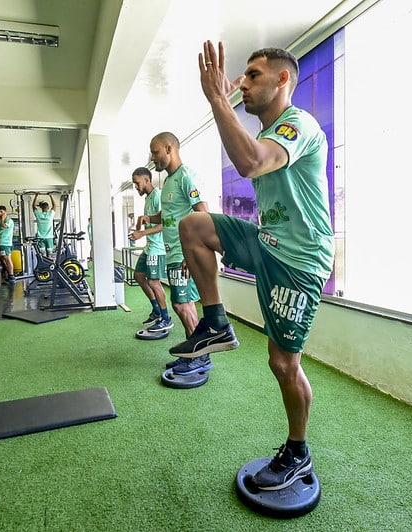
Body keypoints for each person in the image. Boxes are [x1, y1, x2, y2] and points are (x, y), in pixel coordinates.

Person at [174, 42, 335, 491]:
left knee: (283, 364)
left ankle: (299, 452)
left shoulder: (298, 124)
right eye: (242, 76)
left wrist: (219, 100)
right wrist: (223, 104)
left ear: (282, 80)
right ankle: (215, 323)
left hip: (300, 259)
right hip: (268, 241)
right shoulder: (267, 130)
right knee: (194, 228)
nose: (243, 82)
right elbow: (248, 151)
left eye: (254, 75)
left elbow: (250, 163)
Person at [138, 132, 209, 363]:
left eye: (155, 151)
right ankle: (195, 352)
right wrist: (150, 218)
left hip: (184, 253)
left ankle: (199, 356)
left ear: (169, 149)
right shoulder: (168, 180)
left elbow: (203, 214)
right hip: (173, 253)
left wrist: (193, 253)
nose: (152, 157)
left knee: (182, 303)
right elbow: (168, 215)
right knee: (182, 304)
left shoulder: (187, 177)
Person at [129, 167, 171, 333]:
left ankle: (166, 318)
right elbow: (151, 221)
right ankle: (156, 310)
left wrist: (142, 232)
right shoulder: (148, 198)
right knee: (139, 276)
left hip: (157, 248)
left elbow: (165, 223)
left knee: (154, 282)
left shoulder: (158, 196)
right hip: (149, 247)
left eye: (137, 183)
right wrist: (140, 223)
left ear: (147, 180)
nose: (136, 187)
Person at [0, 205, 16, 283]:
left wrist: (2, 220)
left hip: (6, 243)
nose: (0, 214)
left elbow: (3, 227)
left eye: (1, 212)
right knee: (3, 258)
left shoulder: (9, 220)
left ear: (5, 212)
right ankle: (9, 274)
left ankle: (12, 276)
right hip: (1, 242)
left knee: (7, 258)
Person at [32, 193, 56, 258]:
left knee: (43, 255)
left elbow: (33, 206)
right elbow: (54, 206)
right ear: (48, 208)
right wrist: (50, 196)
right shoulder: (50, 214)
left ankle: (44, 267)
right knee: (50, 255)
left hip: (41, 238)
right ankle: (49, 267)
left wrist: (36, 196)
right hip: (49, 238)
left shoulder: (38, 214)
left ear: (41, 208)